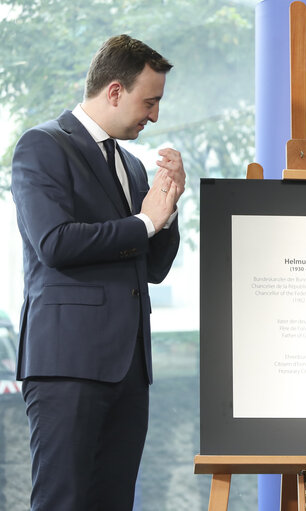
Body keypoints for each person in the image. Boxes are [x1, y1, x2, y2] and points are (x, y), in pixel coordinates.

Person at [11, 34, 185, 510]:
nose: (155, 116)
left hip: (129, 369)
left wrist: (168, 209)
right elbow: (55, 243)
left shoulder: (132, 166)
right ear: (114, 90)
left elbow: (154, 268)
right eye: (149, 102)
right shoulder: (42, 146)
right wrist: (144, 221)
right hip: (67, 365)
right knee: (62, 502)